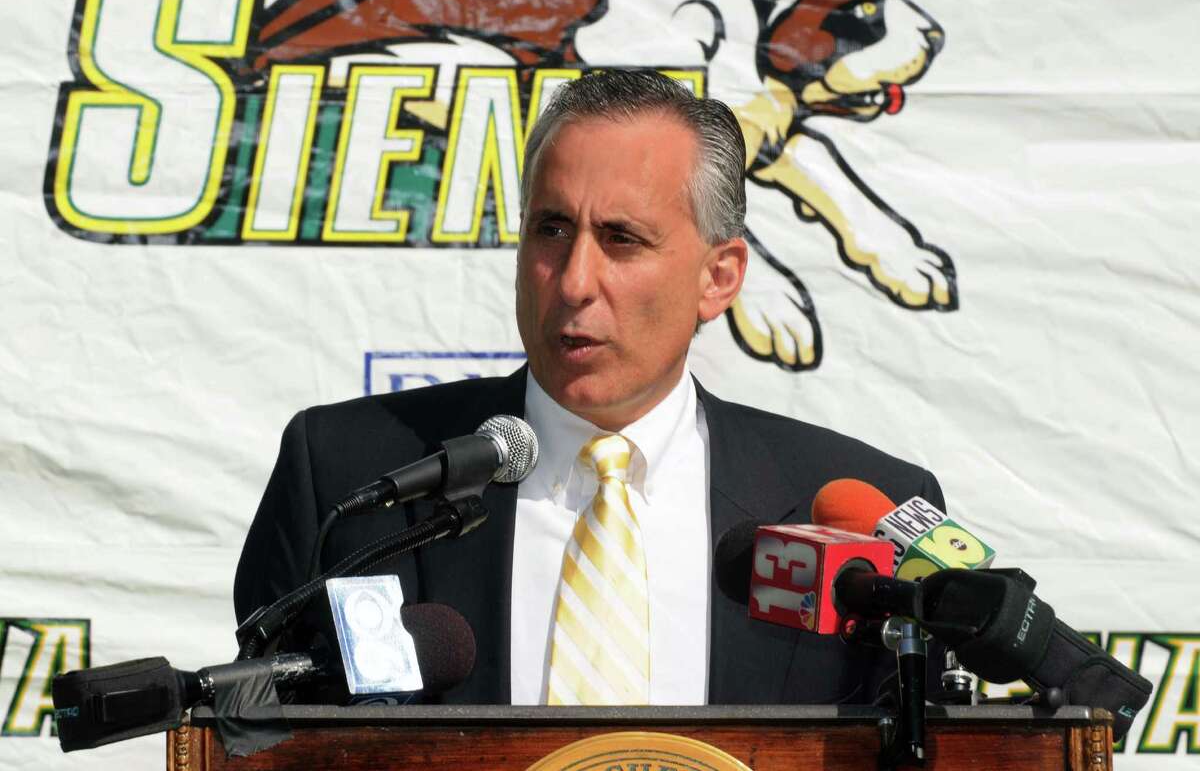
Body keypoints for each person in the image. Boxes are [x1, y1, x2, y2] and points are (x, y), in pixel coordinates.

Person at [234, 69, 943, 705]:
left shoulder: (860, 510)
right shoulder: (346, 476)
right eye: (551, 229)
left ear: (718, 276)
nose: (573, 281)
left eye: (622, 238)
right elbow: (255, 739)